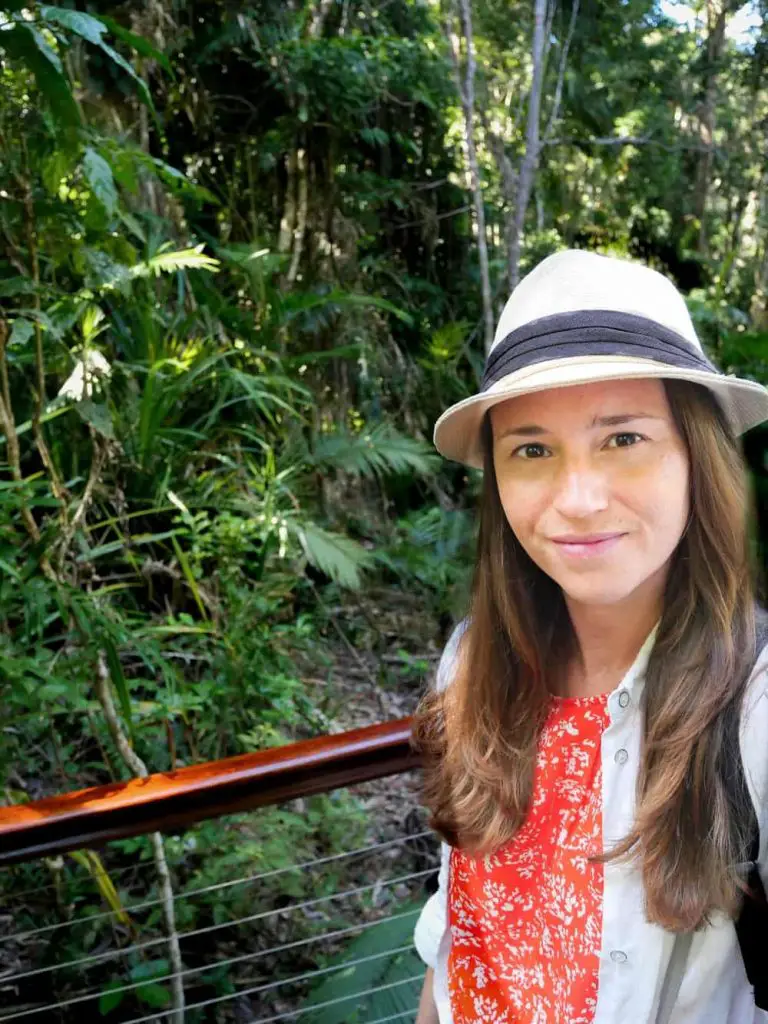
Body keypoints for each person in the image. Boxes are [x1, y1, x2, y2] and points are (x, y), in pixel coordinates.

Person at [410, 249, 768, 1024]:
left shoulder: (753, 707)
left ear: (696, 457)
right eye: (532, 450)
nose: (576, 499)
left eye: (623, 439)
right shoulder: (472, 663)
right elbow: (458, 931)